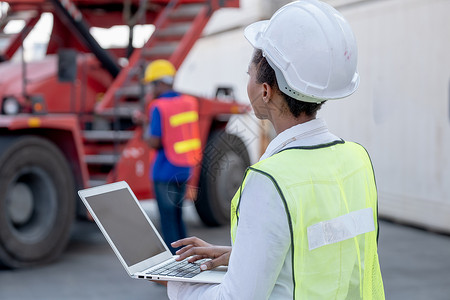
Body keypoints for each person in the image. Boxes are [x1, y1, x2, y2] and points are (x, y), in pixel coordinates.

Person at [160, 0, 385, 299]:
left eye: (249, 73)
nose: (248, 82)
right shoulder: (358, 159)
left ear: (265, 91)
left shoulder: (270, 181)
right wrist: (243, 256)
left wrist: (175, 283)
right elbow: (327, 248)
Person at [144, 59, 202, 254]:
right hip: (184, 168)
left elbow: (155, 141)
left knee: (168, 221)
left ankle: (173, 268)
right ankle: (186, 258)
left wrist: (143, 127)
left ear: (160, 83)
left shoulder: (158, 106)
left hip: (164, 172)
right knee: (178, 216)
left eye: (152, 84)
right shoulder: (189, 102)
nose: (151, 90)